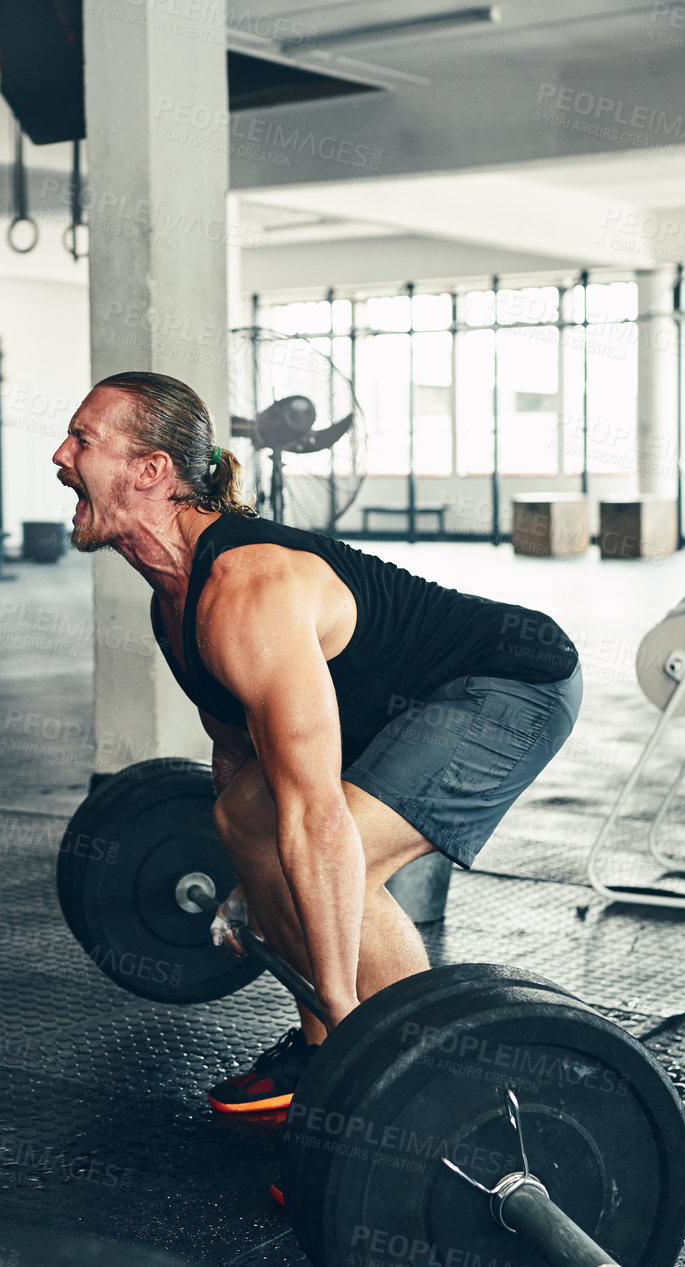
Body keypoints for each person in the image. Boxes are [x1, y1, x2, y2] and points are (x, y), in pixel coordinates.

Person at [51, 371, 582, 1114]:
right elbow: (241, 763)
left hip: (508, 685)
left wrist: (338, 1002)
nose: (59, 455)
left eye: (83, 439)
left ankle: (423, 1101)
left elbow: (316, 818)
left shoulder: (247, 590)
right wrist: (255, 886)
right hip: (408, 705)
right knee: (242, 817)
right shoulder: (172, 601)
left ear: (151, 471)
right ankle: (319, 1055)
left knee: (334, 876)